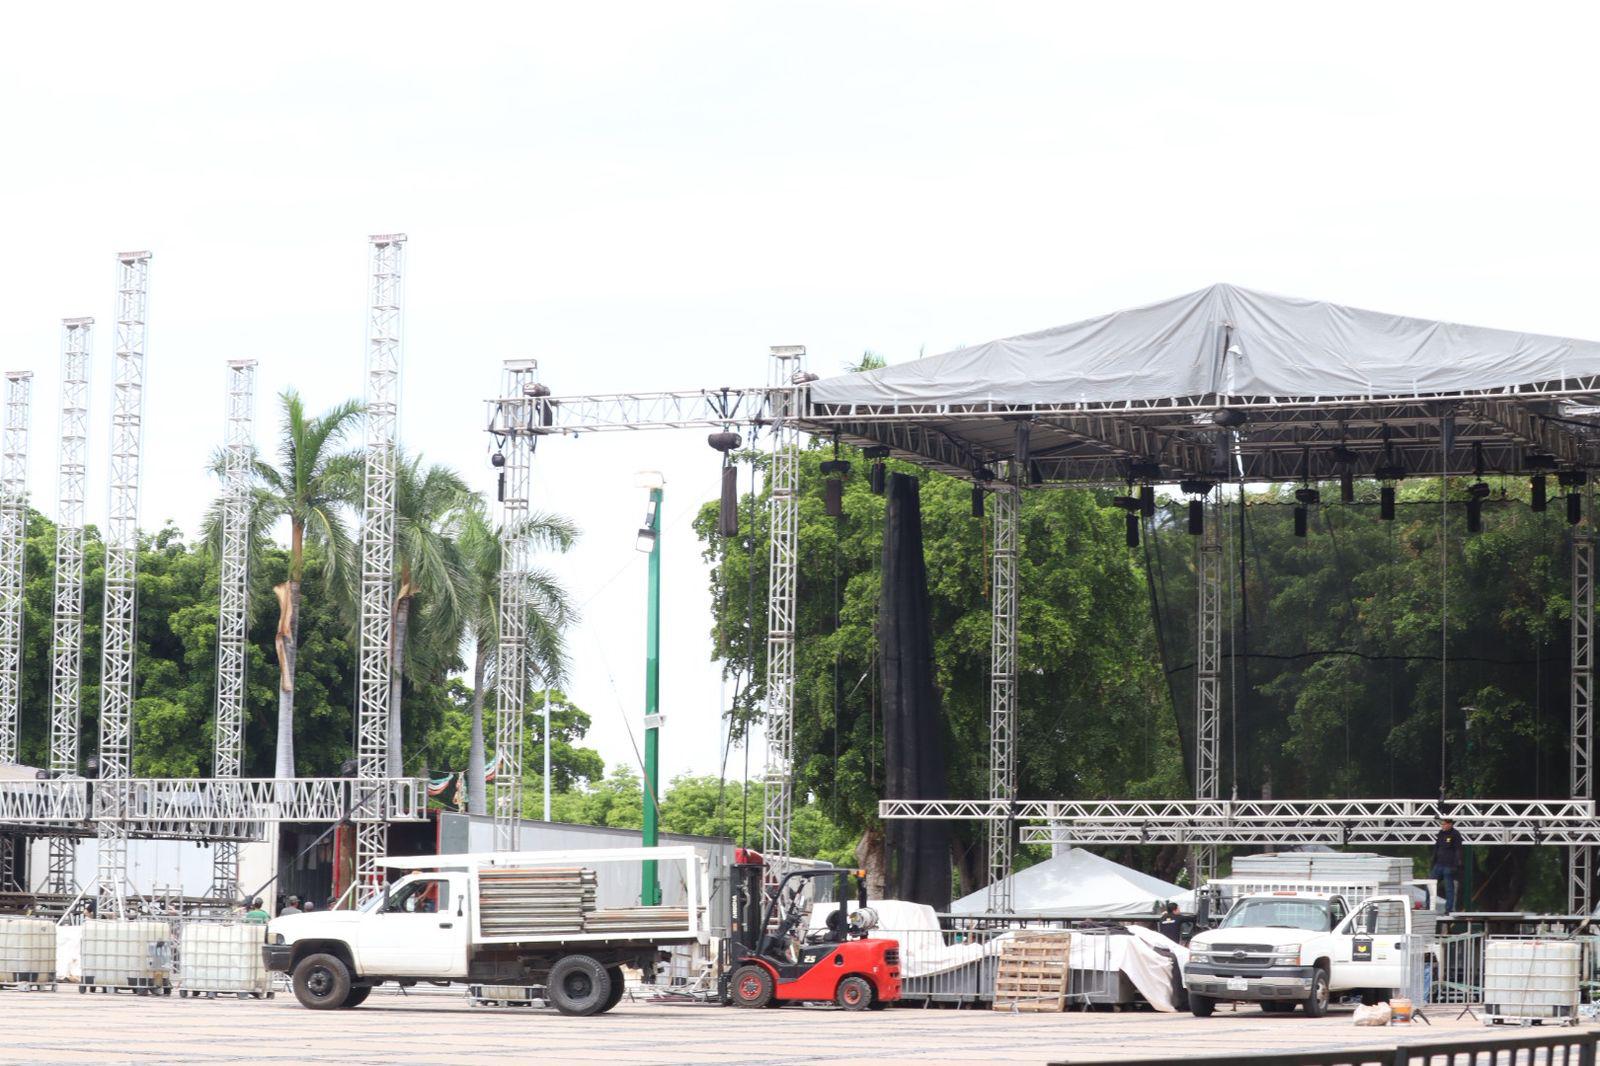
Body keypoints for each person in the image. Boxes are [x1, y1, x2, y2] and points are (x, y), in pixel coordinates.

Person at [1431, 817, 1465, 912]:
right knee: (1430, 885)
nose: (1443, 826)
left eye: (1445, 824)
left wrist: (1456, 864)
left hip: (1449, 865)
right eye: (1442, 824)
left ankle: (1449, 908)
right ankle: (1428, 906)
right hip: (1439, 864)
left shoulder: (1455, 834)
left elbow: (1459, 849)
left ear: (1450, 824)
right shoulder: (1441, 833)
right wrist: (1433, 861)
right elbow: (1437, 847)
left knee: (1449, 888)